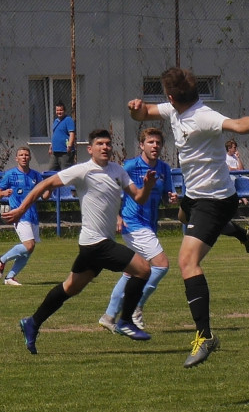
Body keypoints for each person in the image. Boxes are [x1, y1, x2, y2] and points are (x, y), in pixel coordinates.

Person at [128, 66, 249, 368]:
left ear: (172, 96)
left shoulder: (203, 116)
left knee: (188, 260)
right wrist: (134, 110)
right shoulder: (172, 111)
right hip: (194, 196)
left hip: (215, 200)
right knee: (184, 217)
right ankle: (241, 235)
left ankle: (205, 335)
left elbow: (238, 125)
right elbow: (143, 113)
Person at [11, 128, 156, 355]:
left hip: (99, 243)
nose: (105, 147)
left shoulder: (117, 171)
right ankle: (126, 321)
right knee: (143, 269)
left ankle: (32, 322)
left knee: (70, 287)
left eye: (108, 143)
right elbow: (44, 185)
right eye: (100, 144)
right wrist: (21, 209)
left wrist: (147, 186)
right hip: (95, 243)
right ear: (90, 149)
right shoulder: (83, 171)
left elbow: (139, 197)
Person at [99, 127, 178, 332]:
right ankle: (135, 306)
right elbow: (113, 190)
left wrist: (172, 198)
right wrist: (116, 215)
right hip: (132, 223)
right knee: (161, 264)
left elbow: (167, 197)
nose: (155, 146)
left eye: (158, 143)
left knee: (132, 272)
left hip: (149, 224)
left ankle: (108, 316)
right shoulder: (131, 166)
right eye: (150, 142)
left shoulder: (164, 168)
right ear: (141, 145)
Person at [0, 146, 47, 286]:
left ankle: (10, 277)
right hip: (18, 214)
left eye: (26, 155)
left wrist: (50, 187)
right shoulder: (10, 175)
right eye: (21, 155)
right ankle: (2, 259)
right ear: (16, 158)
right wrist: (4, 193)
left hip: (33, 215)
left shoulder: (36, 175)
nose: (24, 157)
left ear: (29, 157)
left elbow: (45, 196)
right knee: (29, 245)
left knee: (29, 250)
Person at [50, 102, 76, 171]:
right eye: (57, 110)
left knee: (65, 171)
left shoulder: (68, 120)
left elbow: (72, 134)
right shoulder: (56, 121)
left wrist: (69, 146)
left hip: (65, 151)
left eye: (61, 110)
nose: (59, 112)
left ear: (64, 111)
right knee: (51, 171)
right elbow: (55, 134)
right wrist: (51, 146)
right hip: (55, 151)